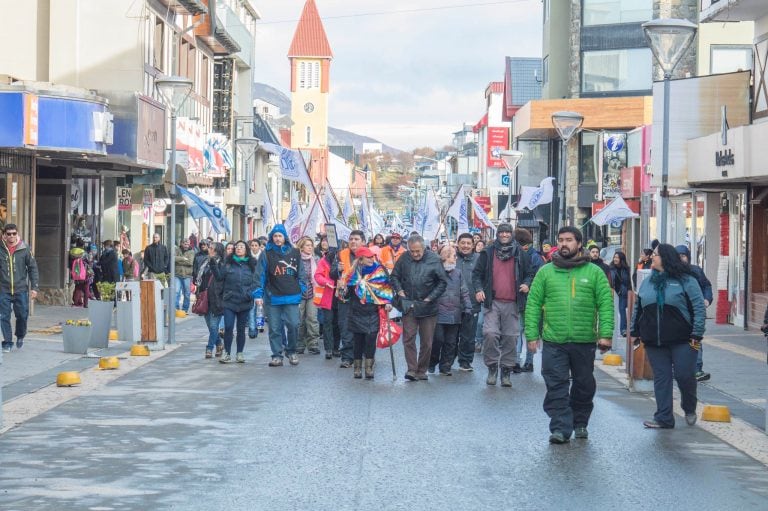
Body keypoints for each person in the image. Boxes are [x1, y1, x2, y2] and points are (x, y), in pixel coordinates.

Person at [524, 226, 614, 444]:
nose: (564, 244)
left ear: (579, 243)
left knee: (584, 384)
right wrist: (531, 334)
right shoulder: (546, 272)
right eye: (561, 240)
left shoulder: (594, 272)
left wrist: (605, 334)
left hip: (584, 340)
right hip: (554, 340)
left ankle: (580, 421)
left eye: (569, 240)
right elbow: (534, 303)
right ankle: (560, 427)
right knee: (556, 384)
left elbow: (605, 304)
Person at [631, 243, 706, 429]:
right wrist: (635, 331)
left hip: (684, 340)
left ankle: (689, 407)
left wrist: (697, 333)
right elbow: (638, 307)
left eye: (655, 255)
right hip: (654, 341)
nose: (652, 257)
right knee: (661, 378)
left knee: (684, 375)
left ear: (665, 258)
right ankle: (664, 418)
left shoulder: (687, 280)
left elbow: (698, 308)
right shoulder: (648, 281)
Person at [472, 223, 534, 387]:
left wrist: (527, 283)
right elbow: (477, 274)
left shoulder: (520, 253)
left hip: (513, 302)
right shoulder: (488, 252)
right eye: (502, 232)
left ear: (511, 234)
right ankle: (492, 367)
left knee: (510, 338)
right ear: (498, 234)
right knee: (490, 334)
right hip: (492, 301)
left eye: (508, 232)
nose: (505, 235)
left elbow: (530, 273)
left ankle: (506, 371)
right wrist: (478, 289)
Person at [391, 234, 448, 381]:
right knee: (408, 338)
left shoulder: (434, 259)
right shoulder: (404, 258)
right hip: (408, 303)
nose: (415, 254)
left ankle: (422, 370)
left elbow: (442, 282)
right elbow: (394, 276)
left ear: (424, 248)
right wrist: (399, 291)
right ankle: (411, 369)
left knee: (427, 342)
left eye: (418, 251)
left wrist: (430, 298)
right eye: (412, 251)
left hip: (428, 306)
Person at [339, 246, 393, 379]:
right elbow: (344, 296)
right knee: (358, 341)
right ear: (361, 259)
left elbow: (386, 287)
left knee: (370, 339)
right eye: (368, 257)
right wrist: (342, 288)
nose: (371, 259)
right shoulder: (352, 273)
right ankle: (357, 369)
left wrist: (387, 302)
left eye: (372, 256)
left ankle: (368, 368)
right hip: (356, 310)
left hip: (372, 311)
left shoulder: (379, 271)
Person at [255, 225, 303, 367]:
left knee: (294, 325)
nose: (277, 238)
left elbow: (301, 274)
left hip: (292, 296)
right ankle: (277, 355)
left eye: (280, 236)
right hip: (272, 296)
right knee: (275, 328)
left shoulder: (295, 252)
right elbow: (260, 275)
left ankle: (292, 351)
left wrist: (302, 289)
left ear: (285, 237)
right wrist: (258, 294)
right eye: (275, 236)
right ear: (271, 238)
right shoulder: (266, 254)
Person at [212, 240, 259, 363]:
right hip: (229, 300)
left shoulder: (252, 264)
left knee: (241, 328)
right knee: (228, 327)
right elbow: (219, 277)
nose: (239, 249)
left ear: (246, 250)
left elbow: (257, 281)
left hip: (245, 301)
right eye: (237, 247)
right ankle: (227, 353)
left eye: (242, 247)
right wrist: (212, 263)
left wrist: (250, 293)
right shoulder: (228, 263)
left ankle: (239, 353)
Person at [429, 245, 471, 375]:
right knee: (438, 339)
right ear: (446, 257)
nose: (456, 258)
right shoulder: (436, 272)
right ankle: (432, 361)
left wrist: (468, 306)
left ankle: (445, 366)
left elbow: (464, 291)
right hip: (438, 313)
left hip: (455, 314)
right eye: (453, 256)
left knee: (451, 342)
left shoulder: (458, 273)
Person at [675, 244, 714, 382]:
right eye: (678, 256)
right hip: (678, 314)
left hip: (695, 312)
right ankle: (679, 368)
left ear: (688, 257)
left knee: (695, 338)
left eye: (683, 256)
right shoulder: (671, 273)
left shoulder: (696, 271)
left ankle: (697, 369)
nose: (681, 259)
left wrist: (706, 299)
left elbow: (706, 286)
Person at [331, 230, 367, 368]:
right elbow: (332, 273)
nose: (353, 241)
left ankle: (363, 354)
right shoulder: (341, 254)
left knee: (363, 326)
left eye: (356, 239)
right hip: (345, 296)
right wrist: (337, 270)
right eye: (351, 239)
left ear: (363, 241)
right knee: (345, 326)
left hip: (363, 296)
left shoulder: (369, 256)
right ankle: (347, 357)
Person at [0, 224, 39, 352]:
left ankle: (20, 335)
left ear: (17, 234)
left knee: (22, 315)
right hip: (3, 289)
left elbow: (33, 268)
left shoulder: (24, 248)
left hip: (20, 289)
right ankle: (7, 342)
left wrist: (34, 287)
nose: (11, 236)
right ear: (4, 235)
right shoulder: (1, 248)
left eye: (14, 234)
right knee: (4, 316)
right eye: (9, 234)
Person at [514, 228, 545, 373]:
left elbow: (540, 279)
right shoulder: (531, 256)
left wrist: (529, 286)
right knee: (521, 330)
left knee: (527, 331)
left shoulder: (534, 258)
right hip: (521, 299)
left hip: (530, 300)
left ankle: (526, 361)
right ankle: (520, 361)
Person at [455, 233, 480, 371]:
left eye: (468, 243)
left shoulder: (479, 259)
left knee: (469, 335)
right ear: (458, 244)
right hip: (452, 303)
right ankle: (448, 358)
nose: (465, 246)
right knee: (451, 335)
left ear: (473, 245)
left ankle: (465, 361)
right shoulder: (451, 258)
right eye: (462, 243)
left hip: (472, 302)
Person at [199, 243, 225, 358]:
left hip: (217, 298)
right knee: (210, 326)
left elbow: (220, 279)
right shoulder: (205, 262)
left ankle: (209, 348)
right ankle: (219, 344)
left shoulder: (222, 264)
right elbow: (199, 277)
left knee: (214, 326)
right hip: (205, 298)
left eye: (211, 248)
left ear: (217, 251)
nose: (208, 249)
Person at [296, 237, 321, 355]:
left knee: (312, 318)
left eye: (311, 245)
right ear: (301, 247)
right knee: (299, 319)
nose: (310, 247)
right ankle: (299, 343)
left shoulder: (316, 259)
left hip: (313, 292)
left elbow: (320, 274)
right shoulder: (296, 259)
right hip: (298, 293)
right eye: (307, 245)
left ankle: (313, 344)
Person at [315, 249, 339, 359]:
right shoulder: (323, 261)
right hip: (327, 296)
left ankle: (336, 347)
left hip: (340, 296)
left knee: (337, 324)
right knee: (328, 322)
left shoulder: (342, 258)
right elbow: (318, 276)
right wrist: (327, 282)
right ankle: (329, 349)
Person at [610, 251, 631, 337]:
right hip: (613, 292)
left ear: (621, 259)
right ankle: (610, 330)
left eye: (617, 257)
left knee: (622, 310)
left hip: (623, 292)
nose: (615, 259)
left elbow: (629, 282)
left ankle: (623, 330)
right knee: (611, 311)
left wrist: (629, 291)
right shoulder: (610, 268)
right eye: (615, 257)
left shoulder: (626, 269)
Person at [174, 239, 195, 313]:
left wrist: (178, 261)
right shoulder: (176, 249)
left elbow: (190, 262)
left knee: (187, 293)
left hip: (187, 275)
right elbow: (173, 258)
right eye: (185, 244)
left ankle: (185, 310)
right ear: (181, 243)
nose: (186, 246)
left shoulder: (192, 251)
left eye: (188, 244)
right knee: (176, 292)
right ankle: (176, 309)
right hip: (177, 274)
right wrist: (183, 258)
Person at [70, 241, 90, 307]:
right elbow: (89, 262)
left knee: (78, 288)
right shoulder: (84, 253)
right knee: (86, 289)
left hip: (76, 274)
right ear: (83, 245)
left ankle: (75, 302)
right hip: (84, 274)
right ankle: (86, 304)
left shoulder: (73, 251)